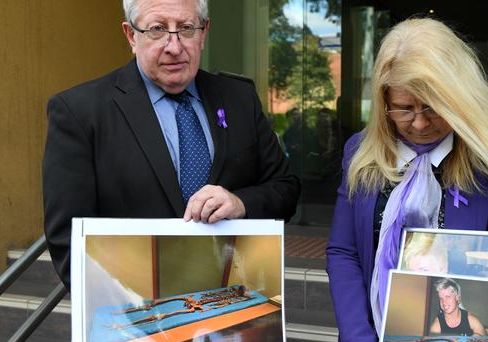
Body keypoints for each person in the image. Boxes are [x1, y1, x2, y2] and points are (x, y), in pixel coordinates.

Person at [42, 0, 300, 290]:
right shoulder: (80, 112)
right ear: (131, 35)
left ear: (204, 32)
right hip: (137, 316)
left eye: (187, 29)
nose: (174, 47)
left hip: (232, 305)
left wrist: (240, 204)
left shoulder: (239, 98)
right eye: (157, 29)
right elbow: (68, 237)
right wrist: (123, 312)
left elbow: (285, 189)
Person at [325, 18, 488, 342]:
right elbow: (343, 252)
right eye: (404, 109)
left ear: (459, 98)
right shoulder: (361, 152)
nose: (420, 124)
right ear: (383, 102)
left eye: (432, 107)